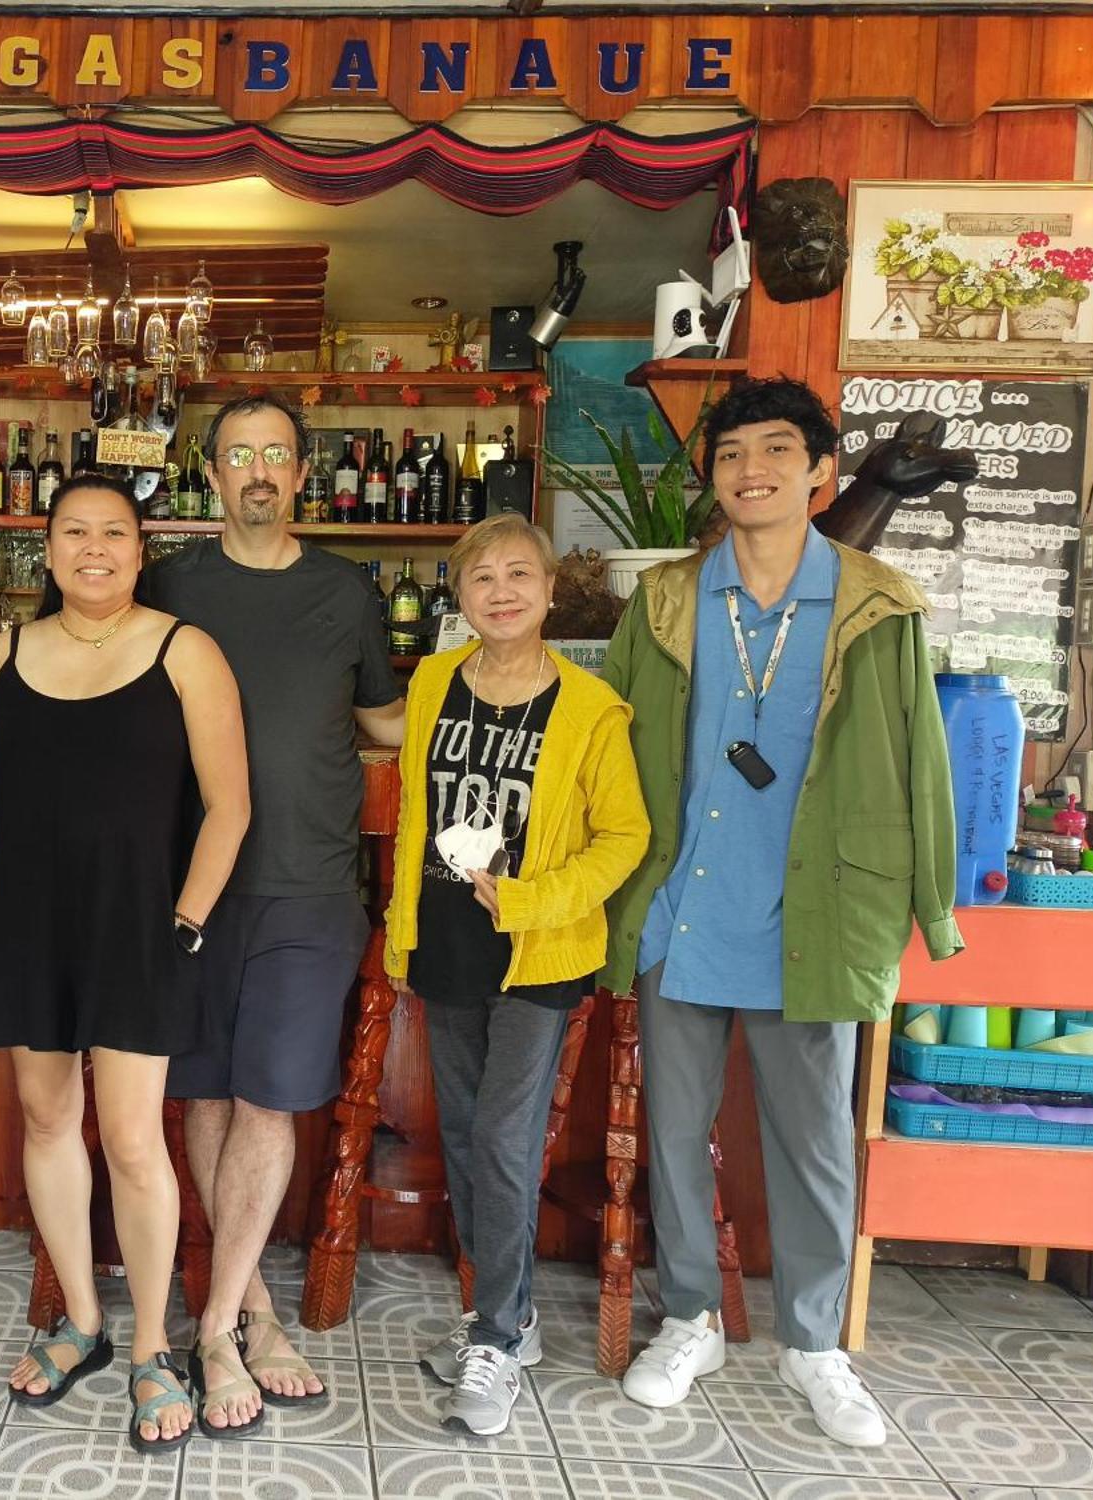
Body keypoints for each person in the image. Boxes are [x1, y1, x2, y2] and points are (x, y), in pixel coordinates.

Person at [600, 378, 960, 1447]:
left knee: (812, 1142)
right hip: (680, 904)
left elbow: (921, 764)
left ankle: (814, 1345)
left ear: (818, 472)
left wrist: (927, 908)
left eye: (774, 450)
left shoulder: (873, 601)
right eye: (728, 455)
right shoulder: (665, 599)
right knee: (672, 1131)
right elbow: (610, 753)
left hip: (814, 907)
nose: (748, 470)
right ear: (710, 477)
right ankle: (690, 1317)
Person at [0, 474, 249, 1453]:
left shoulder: (182, 649)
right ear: (46, 548)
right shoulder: (7, 653)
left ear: (138, 546)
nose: (93, 549)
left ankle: (153, 1347)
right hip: (23, 922)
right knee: (44, 1118)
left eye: (112, 533)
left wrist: (186, 924)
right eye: (74, 532)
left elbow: (228, 806)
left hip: (137, 927)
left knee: (128, 1139)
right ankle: (80, 1318)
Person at [146, 393, 406, 1438]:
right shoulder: (166, 583)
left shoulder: (346, 592)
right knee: (204, 1099)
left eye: (277, 456)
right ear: (211, 474)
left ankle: (208, 1329)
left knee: (266, 1103)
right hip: (187, 887)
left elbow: (385, 718)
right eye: (238, 454)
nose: (257, 470)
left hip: (309, 883)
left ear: (304, 474)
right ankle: (247, 1312)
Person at [382, 513, 648, 1437]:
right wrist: (403, 931)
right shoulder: (429, 684)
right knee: (463, 1136)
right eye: (483, 577)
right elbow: (419, 810)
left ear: (548, 592)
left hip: (539, 953)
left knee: (501, 1139)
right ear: (460, 594)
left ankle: (494, 1332)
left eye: (519, 576)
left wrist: (536, 899)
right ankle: (511, 1316)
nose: (501, 591)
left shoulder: (589, 707)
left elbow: (627, 836)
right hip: (446, 943)